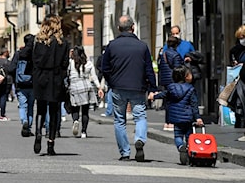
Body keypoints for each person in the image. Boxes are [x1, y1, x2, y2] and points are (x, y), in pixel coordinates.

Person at [101, 15, 157, 162]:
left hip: (118, 87)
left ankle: (125, 152)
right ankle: (139, 139)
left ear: (118, 28)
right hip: (138, 88)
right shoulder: (142, 46)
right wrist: (152, 87)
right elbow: (148, 69)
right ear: (133, 27)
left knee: (119, 120)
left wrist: (111, 81)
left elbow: (104, 68)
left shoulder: (112, 46)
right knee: (140, 117)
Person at [149, 65, 204, 165]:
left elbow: (163, 95)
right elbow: (194, 105)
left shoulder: (171, 88)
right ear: (186, 77)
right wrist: (198, 118)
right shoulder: (190, 89)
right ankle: (189, 153)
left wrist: (154, 96)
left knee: (178, 136)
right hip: (188, 118)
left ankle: (180, 146)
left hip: (176, 118)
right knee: (190, 137)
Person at [32, 14, 69, 155]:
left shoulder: (39, 41)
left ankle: (38, 134)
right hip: (56, 77)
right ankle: (51, 143)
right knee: (54, 111)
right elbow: (65, 63)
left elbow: (34, 60)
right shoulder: (62, 43)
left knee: (40, 109)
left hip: (40, 77)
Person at [67, 46, 104, 138]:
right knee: (85, 111)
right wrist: (99, 87)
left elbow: (66, 74)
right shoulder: (88, 63)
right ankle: (84, 131)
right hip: (87, 87)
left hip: (74, 87)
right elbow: (94, 77)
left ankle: (75, 120)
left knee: (75, 108)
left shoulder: (70, 63)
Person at [8, 34, 35, 137]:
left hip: (20, 84)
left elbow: (11, 69)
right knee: (31, 106)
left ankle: (24, 121)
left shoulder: (19, 54)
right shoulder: (34, 54)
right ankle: (29, 127)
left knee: (23, 105)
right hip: (32, 84)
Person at [158, 36, 184, 131]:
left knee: (168, 103)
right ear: (176, 44)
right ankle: (172, 122)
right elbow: (177, 69)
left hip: (165, 80)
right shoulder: (175, 55)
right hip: (173, 80)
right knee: (174, 102)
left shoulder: (163, 53)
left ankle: (167, 123)